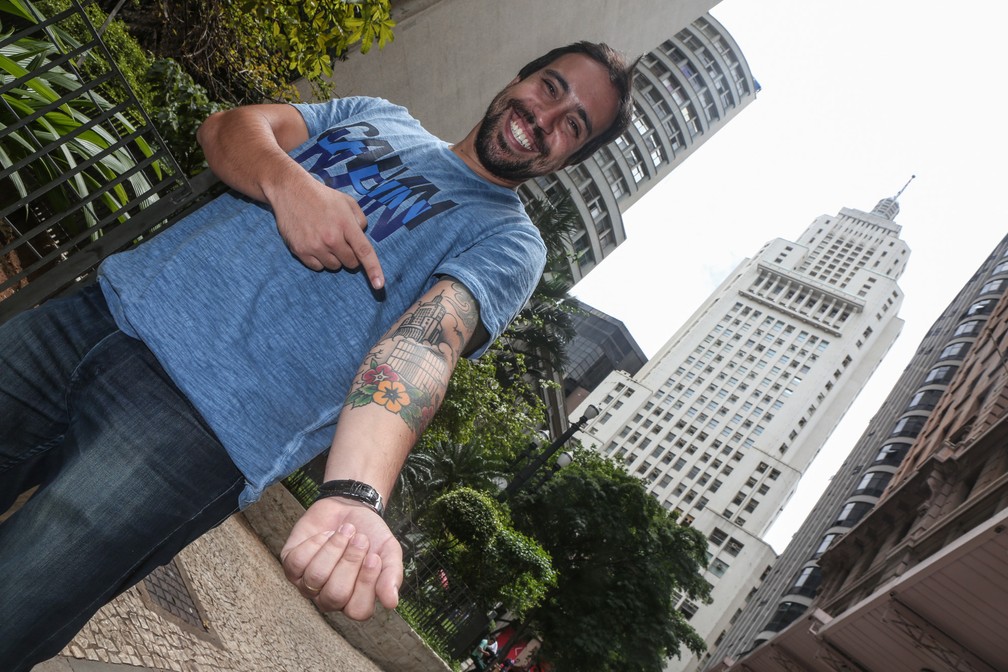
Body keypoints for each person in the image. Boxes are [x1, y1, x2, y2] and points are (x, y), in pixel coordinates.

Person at [0, 41, 635, 670]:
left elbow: (425, 343)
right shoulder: (383, 113)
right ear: (521, 76)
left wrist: (357, 491)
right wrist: (289, 185)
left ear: (567, 158)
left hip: (195, 433)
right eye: (551, 88)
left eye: (572, 125)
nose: (544, 118)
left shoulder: (509, 239)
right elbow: (227, 129)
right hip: (93, 317)